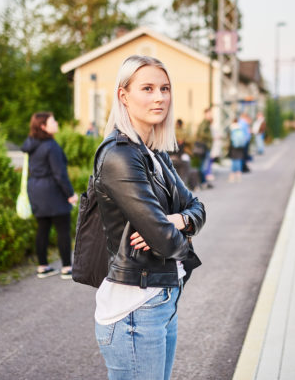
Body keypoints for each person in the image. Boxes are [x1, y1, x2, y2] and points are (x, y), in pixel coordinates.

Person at [93, 55, 205, 380]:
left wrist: (175, 222)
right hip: (135, 308)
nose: (159, 97)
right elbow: (164, 240)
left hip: (162, 298)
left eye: (165, 88)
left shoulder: (155, 153)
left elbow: (198, 208)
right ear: (123, 95)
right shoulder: (119, 156)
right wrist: (173, 230)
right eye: (148, 88)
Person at [21, 112, 78, 279]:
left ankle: (42, 266)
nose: (56, 123)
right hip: (52, 191)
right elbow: (59, 174)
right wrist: (70, 194)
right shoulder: (51, 146)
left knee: (42, 229)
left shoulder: (31, 144)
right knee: (62, 229)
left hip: (36, 190)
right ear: (43, 126)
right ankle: (67, 268)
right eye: (53, 121)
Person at [194, 108, 213, 188]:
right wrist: (210, 137)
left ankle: (203, 182)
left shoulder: (207, 123)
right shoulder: (204, 123)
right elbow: (201, 134)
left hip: (205, 146)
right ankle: (203, 182)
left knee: (204, 165)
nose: (211, 115)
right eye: (209, 114)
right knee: (203, 166)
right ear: (205, 114)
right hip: (204, 147)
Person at [228, 118, 245, 183]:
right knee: (239, 160)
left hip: (234, 147)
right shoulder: (240, 128)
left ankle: (232, 177)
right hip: (240, 147)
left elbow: (230, 139)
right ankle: (239, 175)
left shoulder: (232, 128)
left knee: (234, 161)